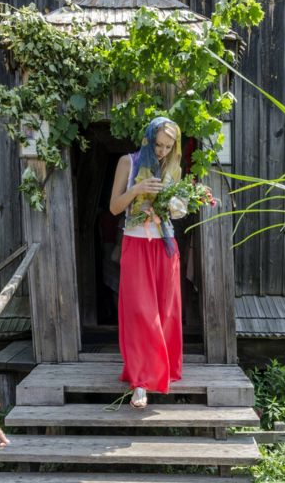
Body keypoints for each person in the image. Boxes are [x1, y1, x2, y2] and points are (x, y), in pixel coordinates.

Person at [109, 117, 183, 409]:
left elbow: (175, 210)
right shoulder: (128, 162)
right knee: (140, 311)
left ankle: (161, 371)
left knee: (165, 311)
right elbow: (115, 207)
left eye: (168, 146)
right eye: (158, 144)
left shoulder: (173, 168)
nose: (162, 151)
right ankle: (140, 382)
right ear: (148, 137)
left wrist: (176, 206)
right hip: (136, 242)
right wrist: (138, 190)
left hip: (165, 244)